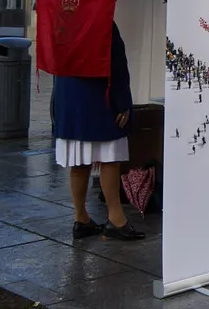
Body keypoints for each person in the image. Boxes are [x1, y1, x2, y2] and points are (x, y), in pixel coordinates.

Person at [55, 23, 145, 241]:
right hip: (100, 97)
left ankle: (81, 217)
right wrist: (123, 102)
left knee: (79, 160)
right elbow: (117, 64)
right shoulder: (103, 22)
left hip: (70, 98)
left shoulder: (64, 21)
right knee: (110, 158)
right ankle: (116, 219)